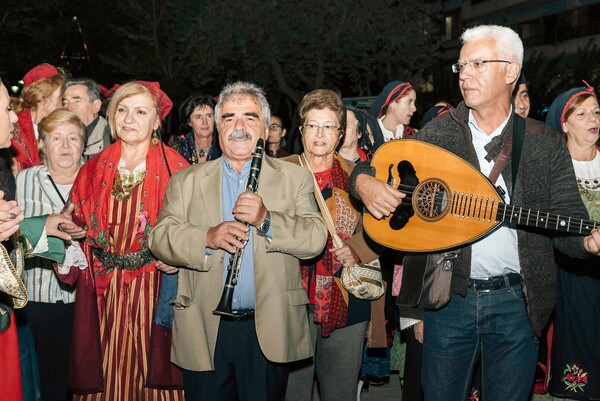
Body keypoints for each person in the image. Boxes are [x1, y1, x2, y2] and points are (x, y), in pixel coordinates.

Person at [350, 25, 600, 401]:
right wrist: (363, 184)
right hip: (450, 300)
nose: (464, 73)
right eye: (461, 65)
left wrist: (588, 242)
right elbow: (373, 167)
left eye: (478, 63)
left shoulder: (543, 143)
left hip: (518, 302)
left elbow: (567, 224)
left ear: (511, 72)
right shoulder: (440, 133)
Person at [149, 81, 327, 401]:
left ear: (265, 127)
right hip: (204, 327)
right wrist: (206, 237)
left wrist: (266, 220)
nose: (239, 126)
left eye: (250, 116)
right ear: (218, 127)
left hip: (268, 329)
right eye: (229, 117)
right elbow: (159, 237)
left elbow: (315, 239)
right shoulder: (186, 179)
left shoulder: (295, 176)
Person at [56, 81, 189, 400]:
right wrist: (71, 233)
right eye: (122, 110)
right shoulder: (91, 169)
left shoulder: (179, 171)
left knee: (151, 376)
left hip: (153, 289)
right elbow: (71, 225)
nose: (129, 118)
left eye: (140, 112)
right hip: (103, 294)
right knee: (103, 373)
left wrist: (179, 257)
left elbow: (196, 236)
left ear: (157, 121)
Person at [281, 89, 380, 401]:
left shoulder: (358, 176)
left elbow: (381, 231)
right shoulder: (280, 171)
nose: (320, 134)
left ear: (340, 134)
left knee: (340, 392)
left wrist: (357, 248)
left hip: (345, 298)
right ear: (301, 131)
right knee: (291, 392)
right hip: (289, 298)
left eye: (329, 126)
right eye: (312, 125)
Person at [0, 78, 83, 401]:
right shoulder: (20, 179)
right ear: (44, 144)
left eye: (73, 138)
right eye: (56, 138)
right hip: (33, 300)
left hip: (80, 302)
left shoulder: (96, 182)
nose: (65, 146)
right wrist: (49, 230)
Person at [544, 83, 600, 399]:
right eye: (582, 113)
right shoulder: (553, 168)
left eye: (596, 111)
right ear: (564, 123)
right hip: (568, 278)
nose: (593, 118)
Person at [12, 64, 64, 171]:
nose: (62, 104)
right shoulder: (13, 128)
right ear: (42, 97)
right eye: (60, 98)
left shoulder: (56, 125)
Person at [62, 77, 113, 160]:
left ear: (96, 106)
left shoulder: (111, 139)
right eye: (65, 102)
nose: (69, 107)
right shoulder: (59, 137)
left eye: (77, 101)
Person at [174, 93, 221, 164]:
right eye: (198, 117)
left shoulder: (225, 149)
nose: (204, 122)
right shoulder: (177, 151)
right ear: (189, 122)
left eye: (209, 116)